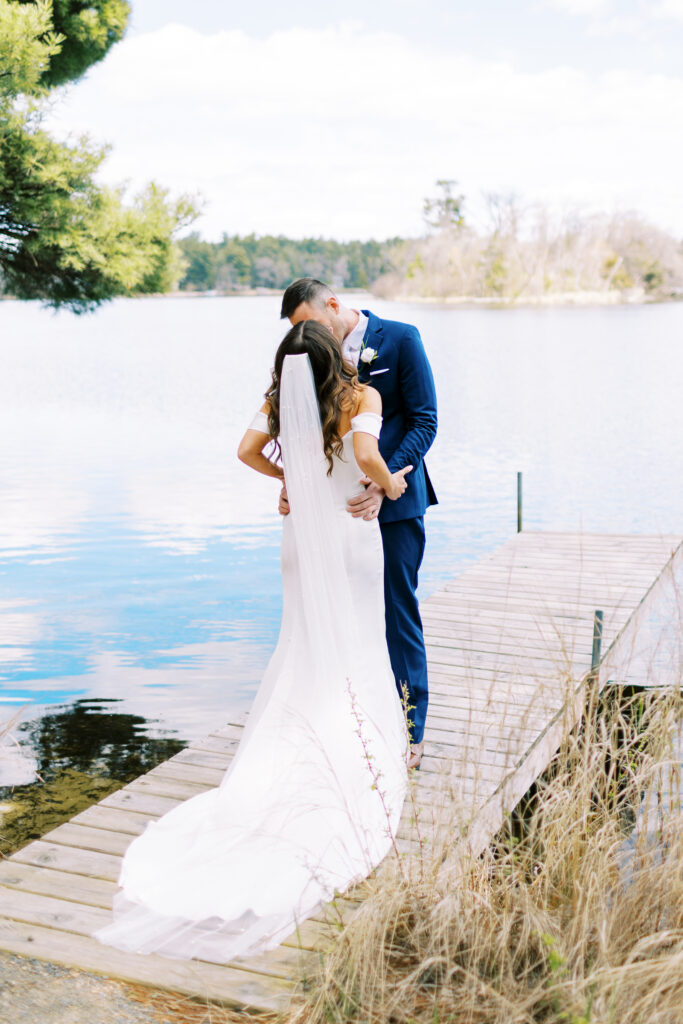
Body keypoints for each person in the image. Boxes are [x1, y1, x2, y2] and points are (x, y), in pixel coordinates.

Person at [94, 321, 411, 963]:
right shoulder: (360, 399)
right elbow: (370, 458)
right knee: (354, 639)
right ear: (333, 357)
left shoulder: (274, 403)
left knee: (301, 641)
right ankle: (353, 744)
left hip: (301, 540)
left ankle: (300, 739)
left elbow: (245, 451)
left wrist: (290, 482)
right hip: (350, 535)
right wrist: (394, 484)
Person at [279, 280, 437, 770]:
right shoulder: (311, 354)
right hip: (331, 512)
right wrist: (295, 481)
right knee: (337, 615)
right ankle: (352, 722)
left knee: (396, 612)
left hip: (395, 502)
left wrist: (382, 480)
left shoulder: (401, 338)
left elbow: (425, 421)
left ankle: (410, 729)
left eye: (311, 324)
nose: (306, 337)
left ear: (334, 305)